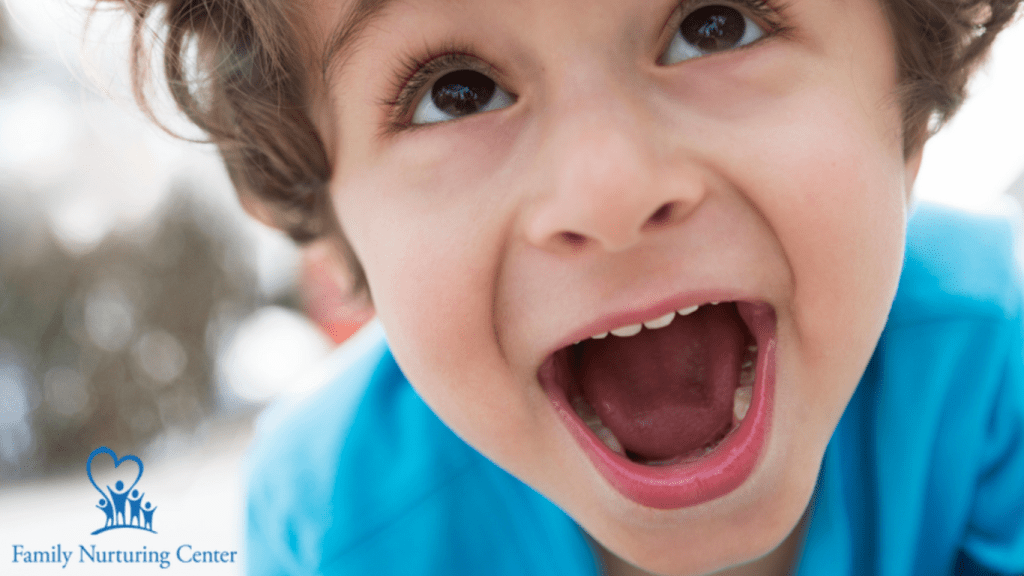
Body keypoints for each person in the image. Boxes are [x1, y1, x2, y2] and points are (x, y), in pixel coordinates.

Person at [92, 0, 1024, 573]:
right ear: (341, 229)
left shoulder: (996, 373)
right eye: (456, 91)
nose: (609, 191)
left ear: (904, 115)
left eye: (713, 23)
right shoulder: (336, 519)